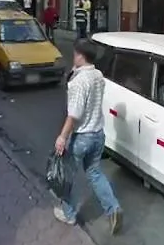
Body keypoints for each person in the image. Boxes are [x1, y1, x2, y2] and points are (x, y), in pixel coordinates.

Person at [52, 39, 123, 233]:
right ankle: (113, 208)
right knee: (94, 172)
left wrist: (62, 137)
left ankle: (69, 214)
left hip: (81, 137)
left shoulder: (78, 82)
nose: (73, 56)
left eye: (75, 53)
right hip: (98, 134)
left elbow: (74, 114)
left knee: (68, 176)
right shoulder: (98, 75)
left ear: (81, 55)